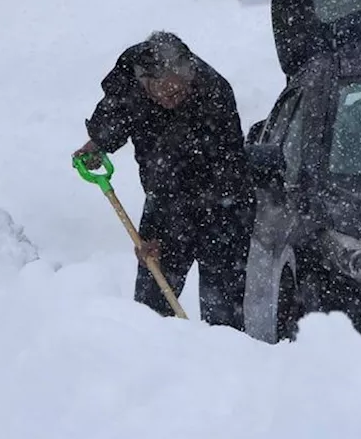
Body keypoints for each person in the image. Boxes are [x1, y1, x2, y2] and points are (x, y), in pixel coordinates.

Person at [74, 31, 255, 330]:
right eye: (166, 94)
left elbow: (223, 172)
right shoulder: (128, 80)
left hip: (224, 204)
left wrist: (168, 231)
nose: (174, 99)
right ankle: (150, 357)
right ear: (145, 84)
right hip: (165, 197)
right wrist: (97, 144)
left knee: (224, 311)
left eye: (181, 91)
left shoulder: (213, 93)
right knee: (150, 309)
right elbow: (113, 115)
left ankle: (221, 361)